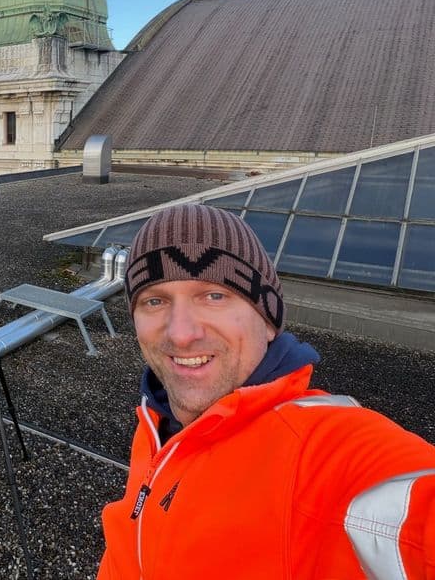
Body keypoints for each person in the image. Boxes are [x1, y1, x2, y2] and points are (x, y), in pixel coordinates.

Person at [96, 203, 435, 579]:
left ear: (269, 320)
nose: (180, 333)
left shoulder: (322, 451)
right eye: (155, 301)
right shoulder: (157, 422)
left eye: (214, 296)